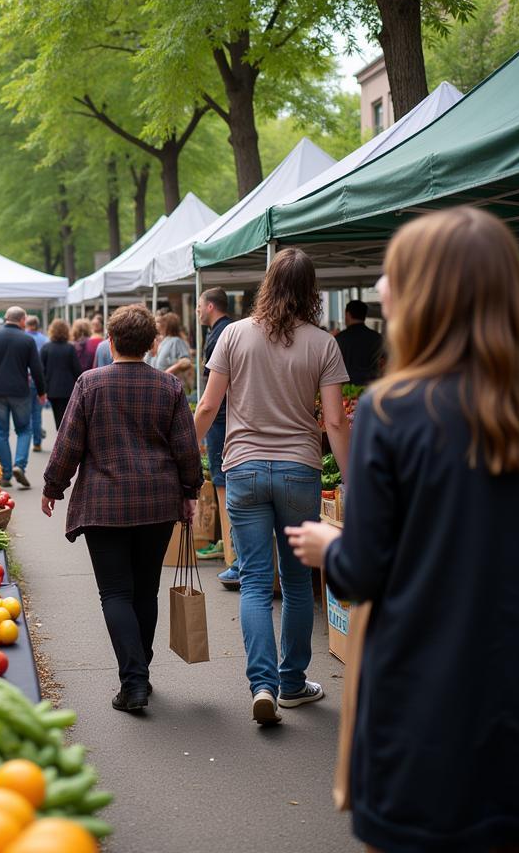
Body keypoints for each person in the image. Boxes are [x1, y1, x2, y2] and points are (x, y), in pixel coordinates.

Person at [286, 208, 519, 853]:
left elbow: (363, 569)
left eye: (392, 275)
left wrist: (331, 545)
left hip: (425, 694)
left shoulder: (396, 411)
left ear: (424, 293)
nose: (380, 290)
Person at [193, 250, 350, 726]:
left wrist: (184, 461)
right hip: (299, 471)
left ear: (266, 284)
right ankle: (292, 684)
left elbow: (206, 407)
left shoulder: (234, 335)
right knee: (299, 582)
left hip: (242, 470)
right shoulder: (323, 344)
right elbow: (336, 422)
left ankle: (260, 684)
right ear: (312, 291)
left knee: (256, 582)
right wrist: (351, 479)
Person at [42, 305, 203, 712]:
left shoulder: (89, 383)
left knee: (115, 592)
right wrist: (191, 491)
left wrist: (53, 486)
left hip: (104, 503)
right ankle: (139, 670)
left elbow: (68, 443)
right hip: (157, 502)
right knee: (145, 589)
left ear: (110, 341)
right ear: (152, 344)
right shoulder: (168, 388)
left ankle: (134, 681)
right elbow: (186, 448)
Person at [195, 289, 240, 586]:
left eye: (199, 305)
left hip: (221, 420)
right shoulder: (232, 331)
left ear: (210, 306)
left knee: (224, 484)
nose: (197, 311)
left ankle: (233, 556)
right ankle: (233, 552)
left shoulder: (220, 336)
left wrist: (194, 434)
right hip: (231, 418)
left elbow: (212, 399)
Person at [0, 306, 46, 489]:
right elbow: (36, 369)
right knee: (24, 429)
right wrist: (41, 391)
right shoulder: (27, 340)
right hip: (19, 391)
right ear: (22, 320)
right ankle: (19, 465)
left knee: (1, 432)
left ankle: (6, 474)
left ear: (6, 318)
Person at [40, 318, 83, 428]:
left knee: (57, 417)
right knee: (68, 417)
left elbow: (41, 370)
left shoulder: (46, 348)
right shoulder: (70, 348)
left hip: (52, 389)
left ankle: (60, 437)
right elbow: (77, 369)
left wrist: (43, 389)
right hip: (68, 388)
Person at [335, 298, 384, 385]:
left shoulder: (339, 339)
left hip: (347, 389)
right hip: (372, 385)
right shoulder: (377, 338)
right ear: (364, 315)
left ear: (347, 314)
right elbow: (383, 363)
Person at [25, 315, 49, 451]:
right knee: (37, 412)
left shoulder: (22, 339)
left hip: (25, 378)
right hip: (39, 378)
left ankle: (28, 440)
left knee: (26, 412)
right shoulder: (45, 340)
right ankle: (37, 442)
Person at [149, 312, 193, 383]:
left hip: (170, 384)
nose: (159, 325)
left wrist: (169, 371)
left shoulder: (176, 341)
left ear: (167, 325)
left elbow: (186, 361)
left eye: (161, 323)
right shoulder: (163, 341)